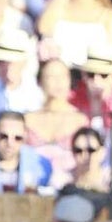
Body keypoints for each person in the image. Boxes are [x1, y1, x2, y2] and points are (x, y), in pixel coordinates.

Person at [24, 58, 89, 187]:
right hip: (32, 187)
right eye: (51, 76)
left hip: (70, 188)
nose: (58, 82)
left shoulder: (81, 120)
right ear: (40, 81)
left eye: (62, 76)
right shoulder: (27, 120)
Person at [36, 0, 112, 69]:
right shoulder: (59, 8)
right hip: (60, 81)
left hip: (92, 82)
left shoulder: (109, 14)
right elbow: (43, 28)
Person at [0, 29, 43, 122]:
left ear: (23, 63)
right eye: (2, 62)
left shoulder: (36, 93)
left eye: (13, 63)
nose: (7, 68)